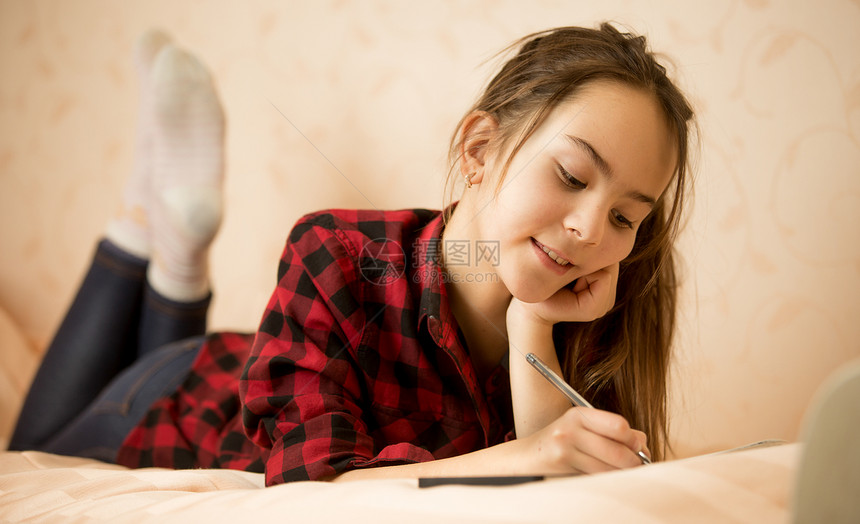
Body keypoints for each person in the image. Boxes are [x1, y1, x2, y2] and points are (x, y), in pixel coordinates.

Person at [9, 22, 695, 486]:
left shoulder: (591, 306)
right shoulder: (336, 252)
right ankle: (155, 232)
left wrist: (533, 327)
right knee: (21, 451)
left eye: (626, 216)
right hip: (178, 394)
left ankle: (172, 240)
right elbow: (313, 490)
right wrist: (526, 456)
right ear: (479, 150)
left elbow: (560, 501)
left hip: (258, 358)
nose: (590, 230)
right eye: (572, 176)